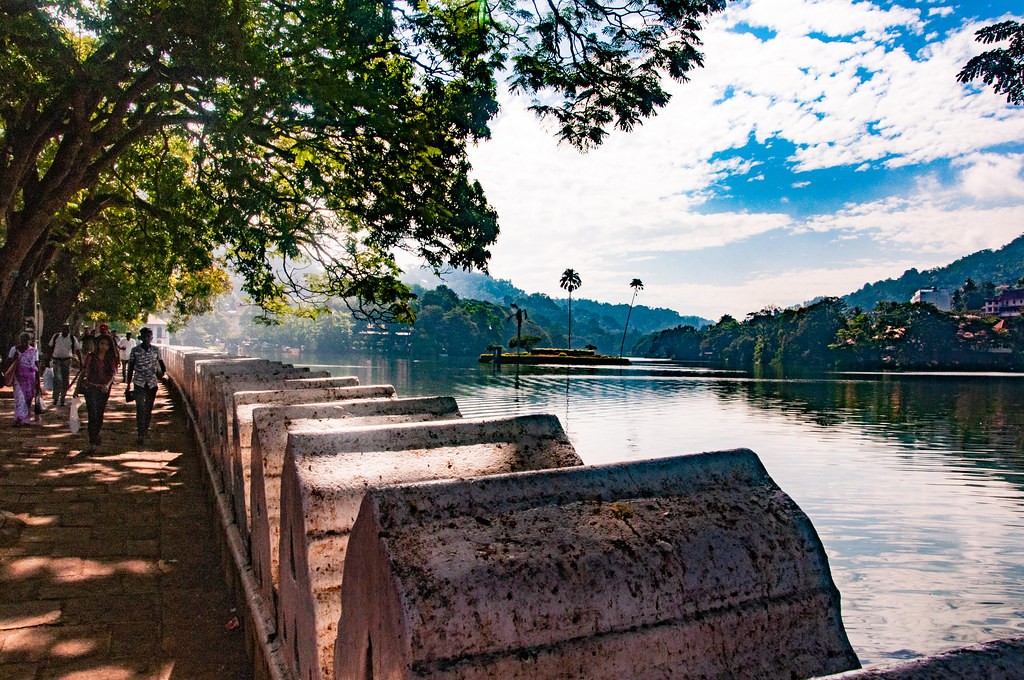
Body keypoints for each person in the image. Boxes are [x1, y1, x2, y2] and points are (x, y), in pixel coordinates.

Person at [74, 333, 119, 450]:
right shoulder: (90, 357)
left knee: (99, 413)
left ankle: (96, 433)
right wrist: (76, 388)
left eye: (106, 344)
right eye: (102, 343)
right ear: (97, 344)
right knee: (92, 413)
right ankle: (92, 438)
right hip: (91, 388)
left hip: (103, 390)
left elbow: (112, 375)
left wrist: (107, 385)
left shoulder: (111, 358)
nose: (103, 346)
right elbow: (84, 372)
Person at [126, 327, 165, 445]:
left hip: (152, 383)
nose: (147, 339)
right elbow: (131, 367)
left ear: (151, 337)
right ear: (141, 337)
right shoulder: (135, 350)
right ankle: (140, 433)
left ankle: (145, 430)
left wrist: (162, 374)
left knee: (148, 408)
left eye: (149, 336)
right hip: (139, 382)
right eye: (145, 336)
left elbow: (162, 365)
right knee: (140, 408)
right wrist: (128, 384)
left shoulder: (156, 350)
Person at [6, 332, 41, 426]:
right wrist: (15, 358)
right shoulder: (14, 349)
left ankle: (26, 418)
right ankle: (18, 418)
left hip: (30, 379)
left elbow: (37, 366)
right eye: (22, 341)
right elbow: (8, 362)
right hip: (18, 378)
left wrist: (38, 381)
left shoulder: (34, 351)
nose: (24, 343)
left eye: (26, 341)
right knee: (19, 398)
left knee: (28, 399)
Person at [47, 324, 82, 407]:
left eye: (67, 329)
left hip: (66, 361)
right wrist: (47, 359)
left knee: (65, 380)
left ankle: (62, 398)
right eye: (64, 329)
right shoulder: (56, 337)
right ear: (61, 329)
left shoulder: (72, 339)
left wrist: (81, 362)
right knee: (57, 379)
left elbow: (78, 350)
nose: (65, 331)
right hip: (56, 360)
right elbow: (50, 347)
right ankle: (55, 398)